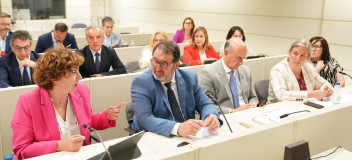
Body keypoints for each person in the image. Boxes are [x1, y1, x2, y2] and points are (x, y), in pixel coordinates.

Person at [11, 48, 126, 160]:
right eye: (74, 72)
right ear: (54, 77)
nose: (80, 77)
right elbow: (22, 150)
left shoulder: (81, 90)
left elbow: (87, 122)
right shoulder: (28, 102)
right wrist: (59, 146)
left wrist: (105, 117)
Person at [129, 41, 222, 137]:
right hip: (159, 136)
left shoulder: (189, 77)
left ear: (176, 65)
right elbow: (144, 119)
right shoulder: (141, 82)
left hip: (188, 137)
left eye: (164, 64)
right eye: (155, 61)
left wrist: (211, 116)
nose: (157, 68)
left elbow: (205, 103)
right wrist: (177, 128)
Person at [200, 38, 258, 114]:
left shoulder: (246, 70)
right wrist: (233, 111)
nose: (241, 63)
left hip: (247, 113)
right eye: (238, 58)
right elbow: (207, 105)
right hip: (227, 116)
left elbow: (252, 97)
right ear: (226, 53)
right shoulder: (208, 73)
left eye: (243, 58)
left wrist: (252, 105)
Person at [268, 39, 333, 103]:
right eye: (295, 53)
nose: (298, 58)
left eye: (302, 55)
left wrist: (326, 89)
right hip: (279, 109)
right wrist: (311, 94)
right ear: (289, 53)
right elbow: (281, 95)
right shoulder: (277, 70)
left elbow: (323, 83)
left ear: (307, 57)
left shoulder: (308, 67)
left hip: (304, 107)